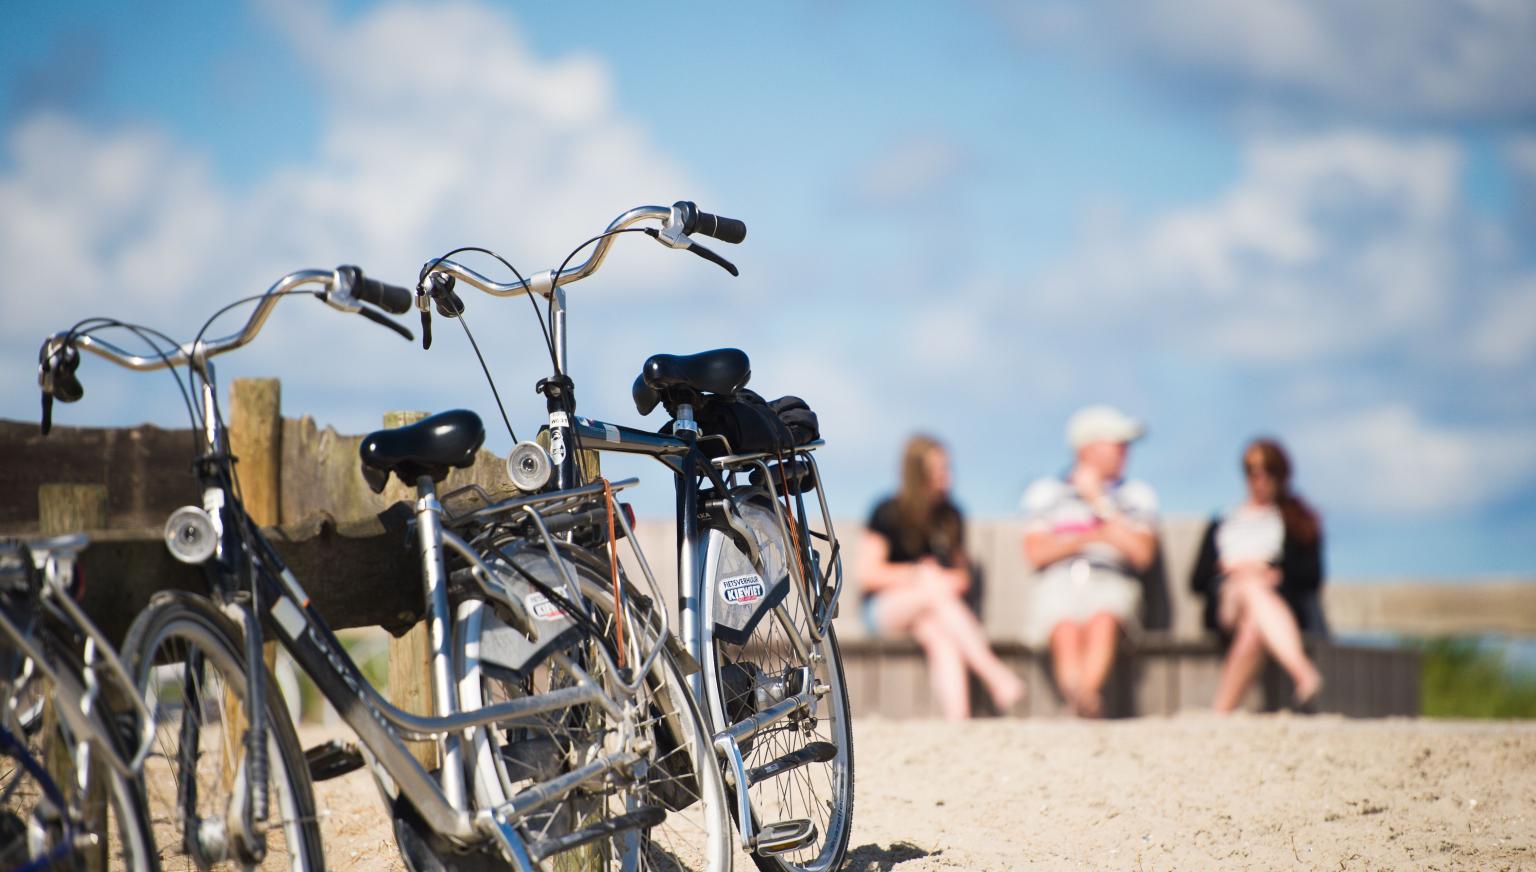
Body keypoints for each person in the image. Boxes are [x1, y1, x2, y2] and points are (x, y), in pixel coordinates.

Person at [857, 435, 1025, 720]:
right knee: (933, 590)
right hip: (884, 610)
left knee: (937, 634)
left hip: (934, 611)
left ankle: (957, 719)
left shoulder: (951, 516)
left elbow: (961, 578)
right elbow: (869, 575)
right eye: (939, 468)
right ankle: (995, 675)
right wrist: (918, 575)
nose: (947, 475)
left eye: (948, 467)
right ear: (917, 472)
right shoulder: (888, 512)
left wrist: (938, 579)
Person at [1021, 405, 1158, 718]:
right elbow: (1035, 553)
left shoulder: (1136, 494)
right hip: (1059, 581)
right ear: (1088, 448)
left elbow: (1142, 554)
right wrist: (1093, 537)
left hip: (1112, 580)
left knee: (1104, 618)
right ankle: (1085, 702)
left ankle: (1079, 702)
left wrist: (1098, 501)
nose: (1126, 451)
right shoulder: (1046, 492)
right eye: (1118, 443)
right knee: (1064, 626)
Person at [1191, 438, 1325, 712]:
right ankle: (1302, 671)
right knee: (1248, 585)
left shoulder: (1296, 519)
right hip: (1227, 602)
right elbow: (1196, 579)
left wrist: (1274, 572)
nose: (1260, 478)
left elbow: (1311, 576)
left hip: (1271, 604)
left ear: (1281, 474)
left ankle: (1220, 712)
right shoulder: (1224, 520)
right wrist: (1235, 570)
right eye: (1253, 470)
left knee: (1253, 627)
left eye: (1268, 470)